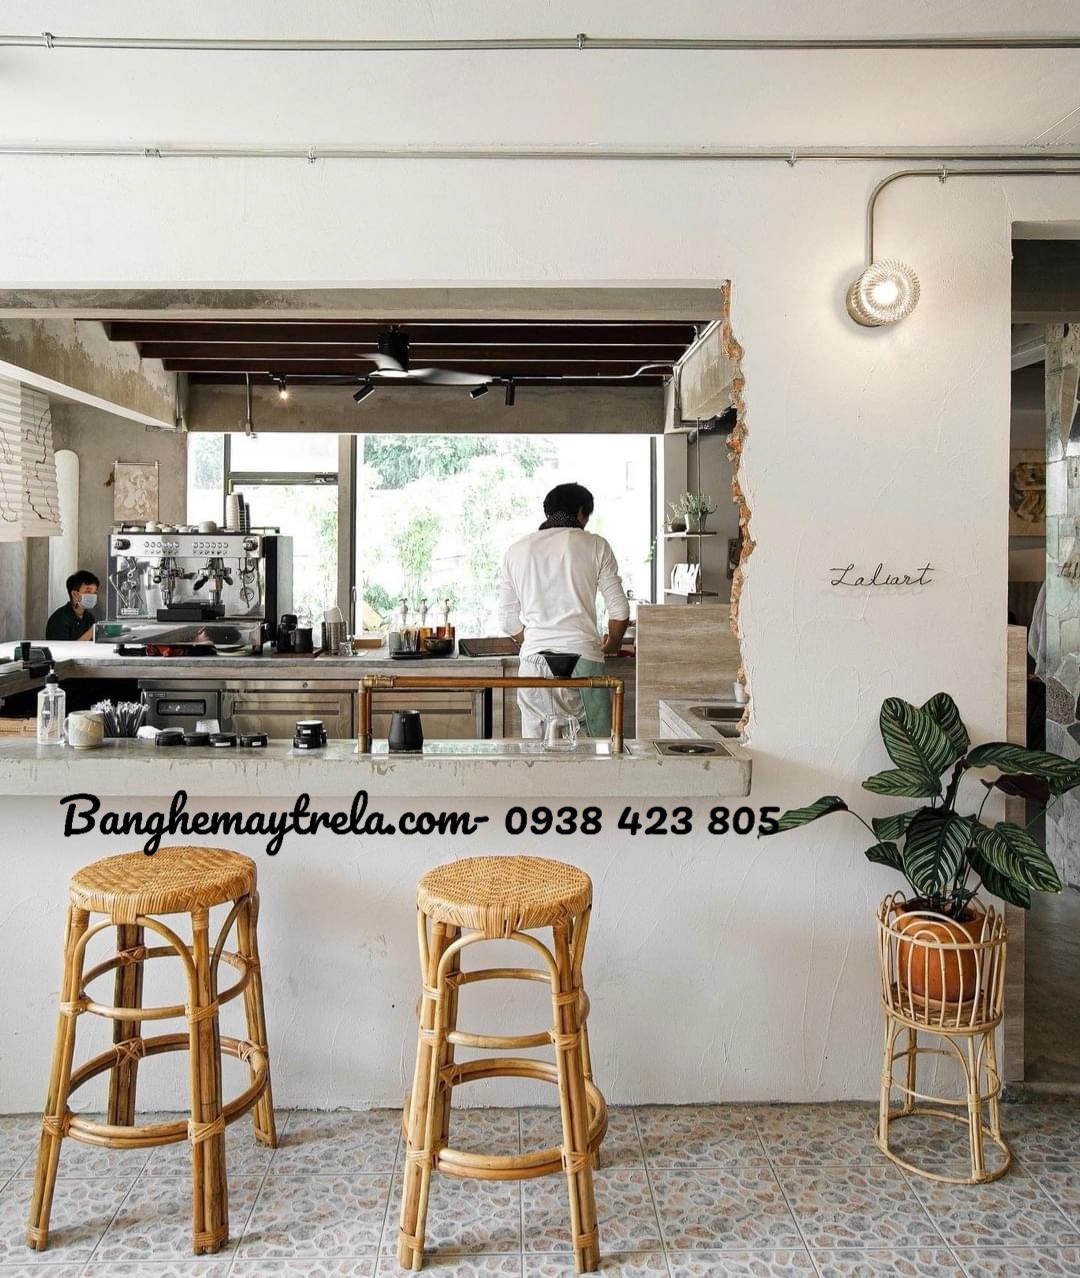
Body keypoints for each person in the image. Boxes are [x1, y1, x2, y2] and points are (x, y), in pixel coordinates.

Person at [497, 482, 630, 739]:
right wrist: (612, 644)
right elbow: (620, 611)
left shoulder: (517, 550)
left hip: (532, 667)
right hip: (582, 659)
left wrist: (535, 640)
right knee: (592, 749)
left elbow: (507, 620)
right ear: (580, 512)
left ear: (548, 511)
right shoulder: (596, 545)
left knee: (536, 750)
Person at [45, 570, 100, 642]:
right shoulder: (59, 619)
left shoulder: (89, 617)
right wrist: (91, 632)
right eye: (88, 591)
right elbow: (62, 648)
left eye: (95, 592)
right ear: (74, 594)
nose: (93, 596)